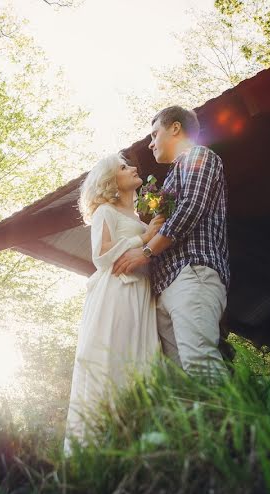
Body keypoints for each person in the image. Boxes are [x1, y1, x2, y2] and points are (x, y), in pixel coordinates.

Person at [113, 105, 231, 380]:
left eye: (155, 135)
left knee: (200, 362)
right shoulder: (172, 177)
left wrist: (145, 252)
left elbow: (191, 207)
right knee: (182, 382)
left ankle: (235, 423)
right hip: (166, 287)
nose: (151, 143)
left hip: (192, 273)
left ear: (175, 128)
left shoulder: (199, 156)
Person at [63, 153, 165, 455]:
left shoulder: (137, 218)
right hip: (117, 294)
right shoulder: (104, 212)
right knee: (113, 360)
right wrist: (143, 238)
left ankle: (133, 445)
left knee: (141, 363)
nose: (134, 168)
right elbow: (102, 257)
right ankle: (96, 449)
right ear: (110, 182)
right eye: (124, 167)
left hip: (142, 294)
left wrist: (150, 232)